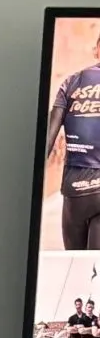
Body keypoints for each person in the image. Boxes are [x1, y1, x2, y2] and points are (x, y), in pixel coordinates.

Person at [46, 33, 100, 249]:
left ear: (97, 50)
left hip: (76, 189)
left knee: (75, 263)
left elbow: (48, 139)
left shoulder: (71, 82)